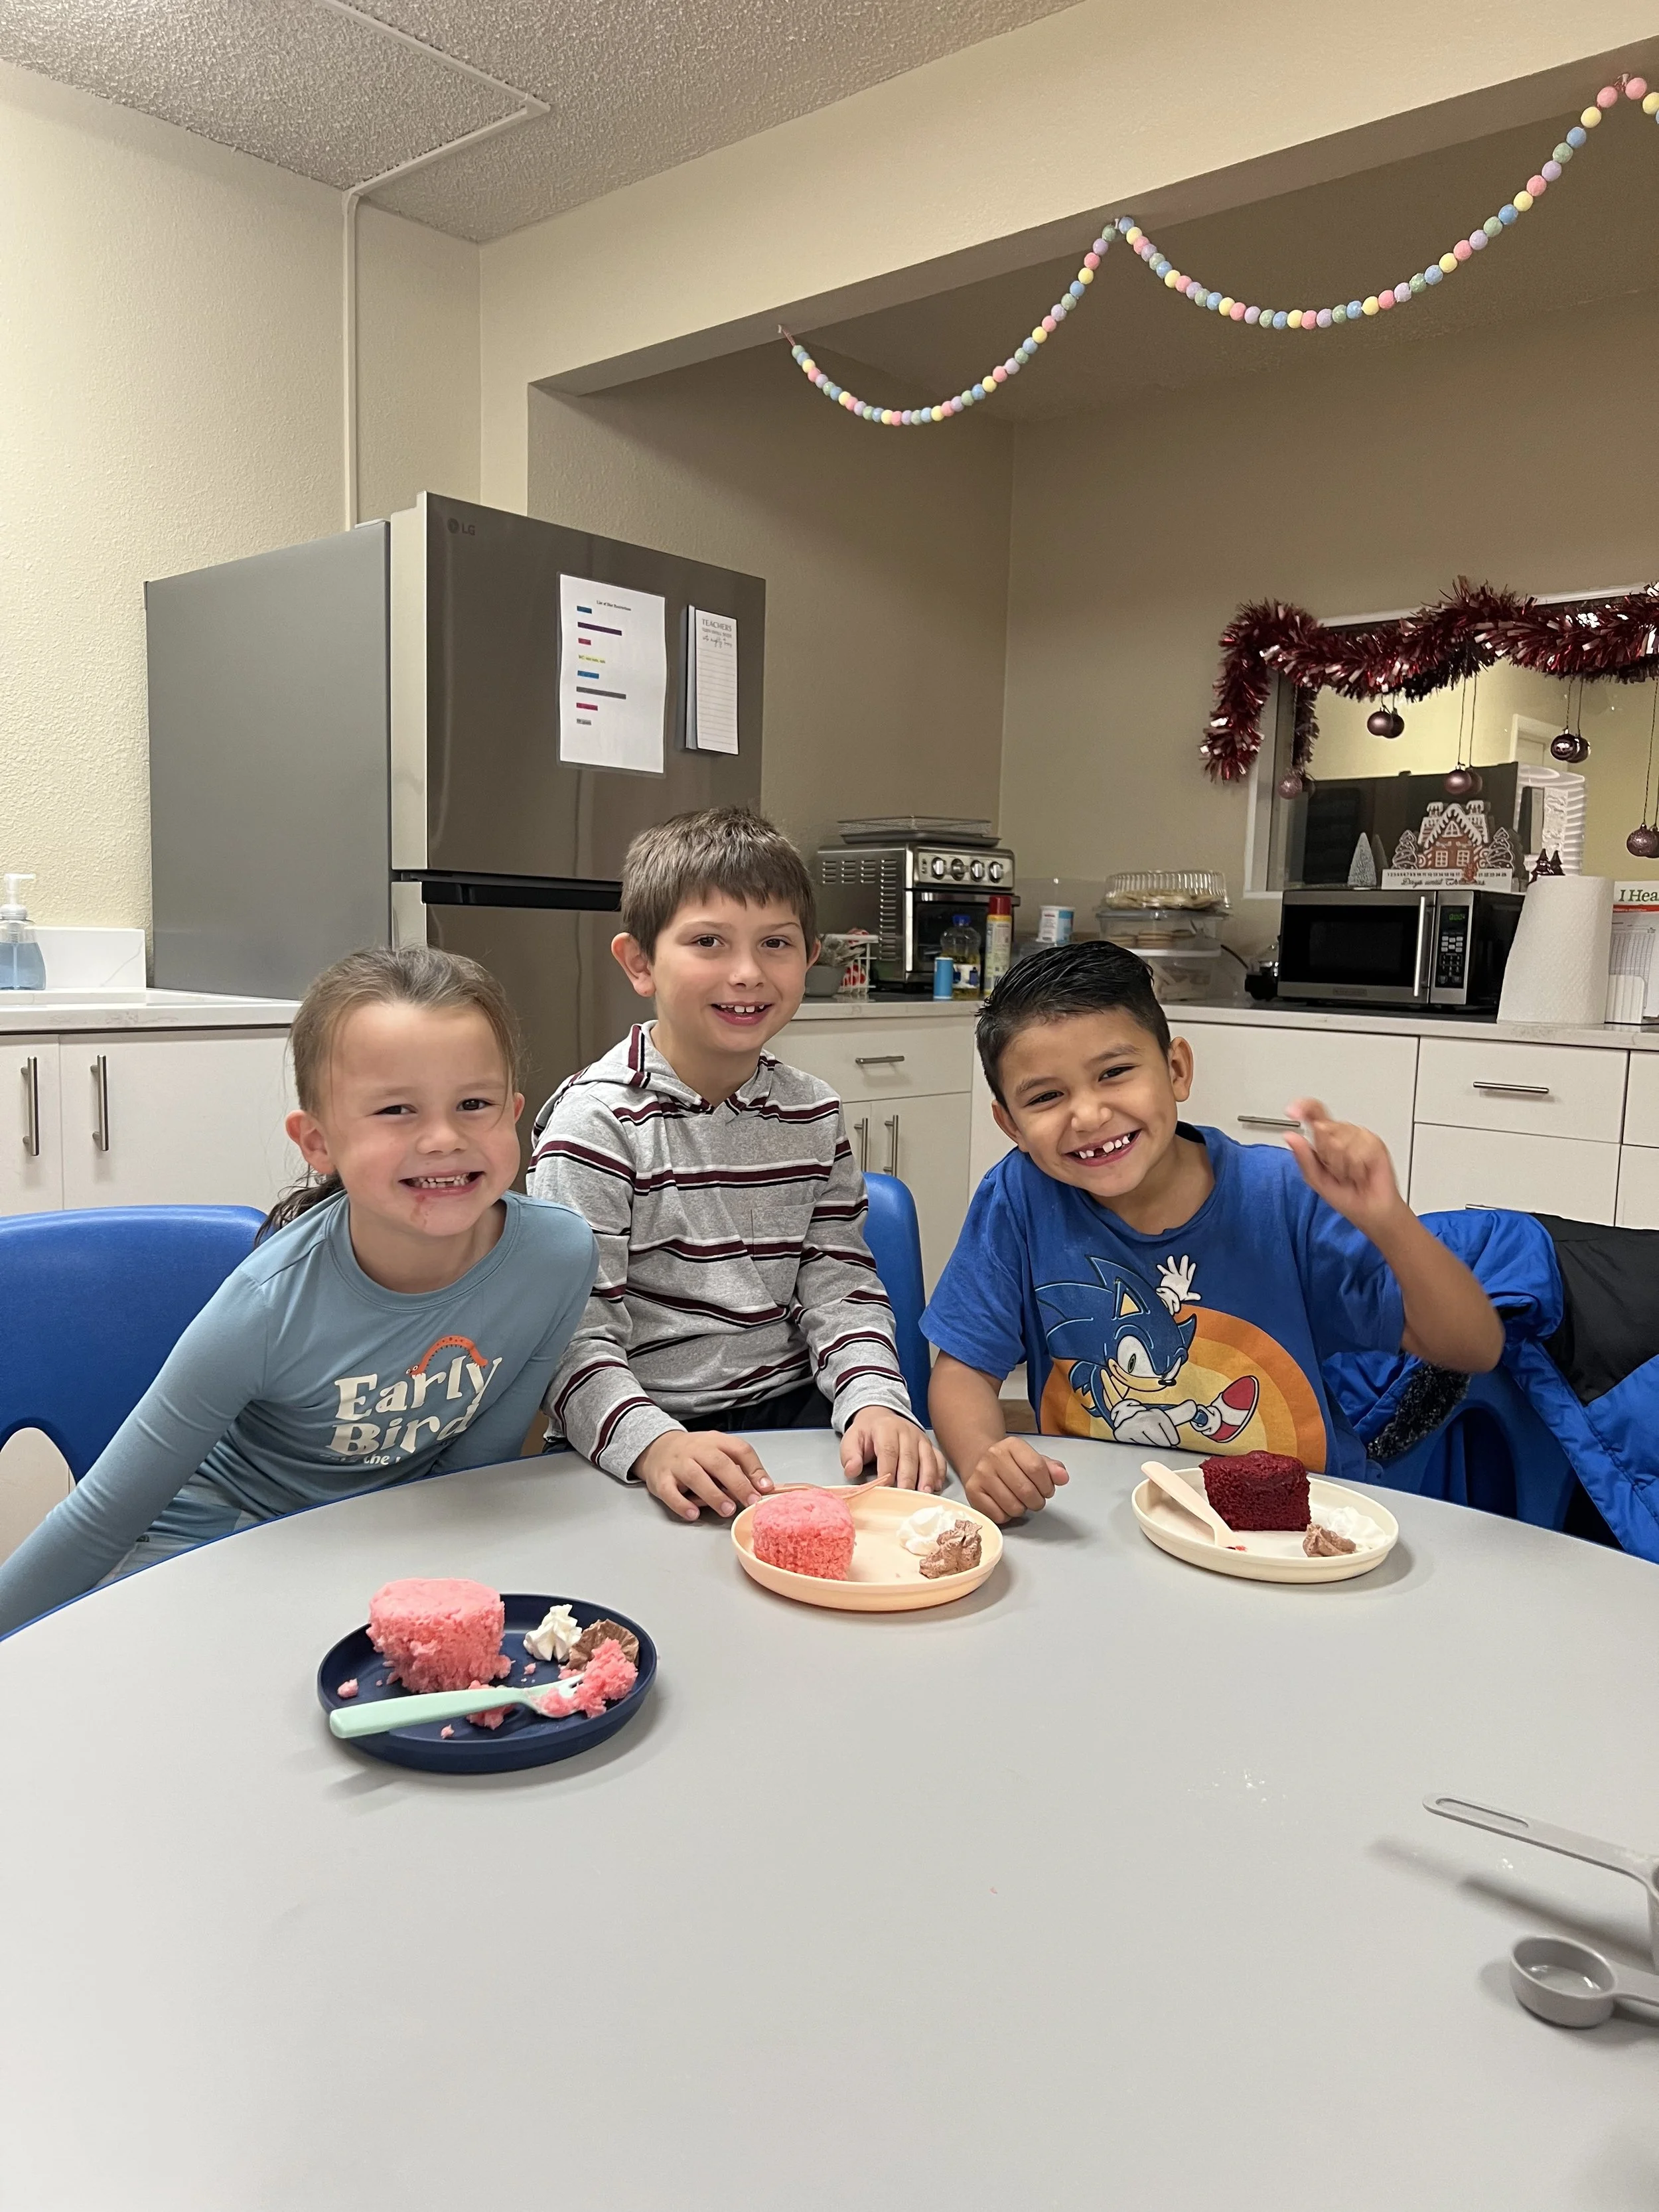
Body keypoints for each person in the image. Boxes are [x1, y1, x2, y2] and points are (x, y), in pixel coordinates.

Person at [0, 946, 596, 1637]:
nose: (442, 1138)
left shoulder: (557, 1257)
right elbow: (100, 1521)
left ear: (513, 1113)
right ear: (317, 1141)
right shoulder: (263, 1305)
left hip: (382, 1550)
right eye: (397, 1110)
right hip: (219, 1548)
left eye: (474, 1104)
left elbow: (468, 1477)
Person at [924, 940, 1502, 1524]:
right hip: (1108, 1523)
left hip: (1301, 1530)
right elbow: (964, 1370)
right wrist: (983, 1456)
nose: (1090, 1114)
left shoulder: (1281, 1195)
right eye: (1047, 1096)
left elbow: (1472, 1347)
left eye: (1115, 1072)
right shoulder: (1021, 1198)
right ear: (1010, 1123)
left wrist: (1389, 1220)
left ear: (1177, 1069)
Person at [530, 805, 941, 1522]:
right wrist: (652, 1445)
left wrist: (875, 1399)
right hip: (641, 1431)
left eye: (775, 943)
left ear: (809, 959)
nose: (747, 973)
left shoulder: (813, 1113)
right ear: (638, 963)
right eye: (708, 942)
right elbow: (570, 1336)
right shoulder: (593, 1125)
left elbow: (837, 1283)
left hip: (794, 1418)